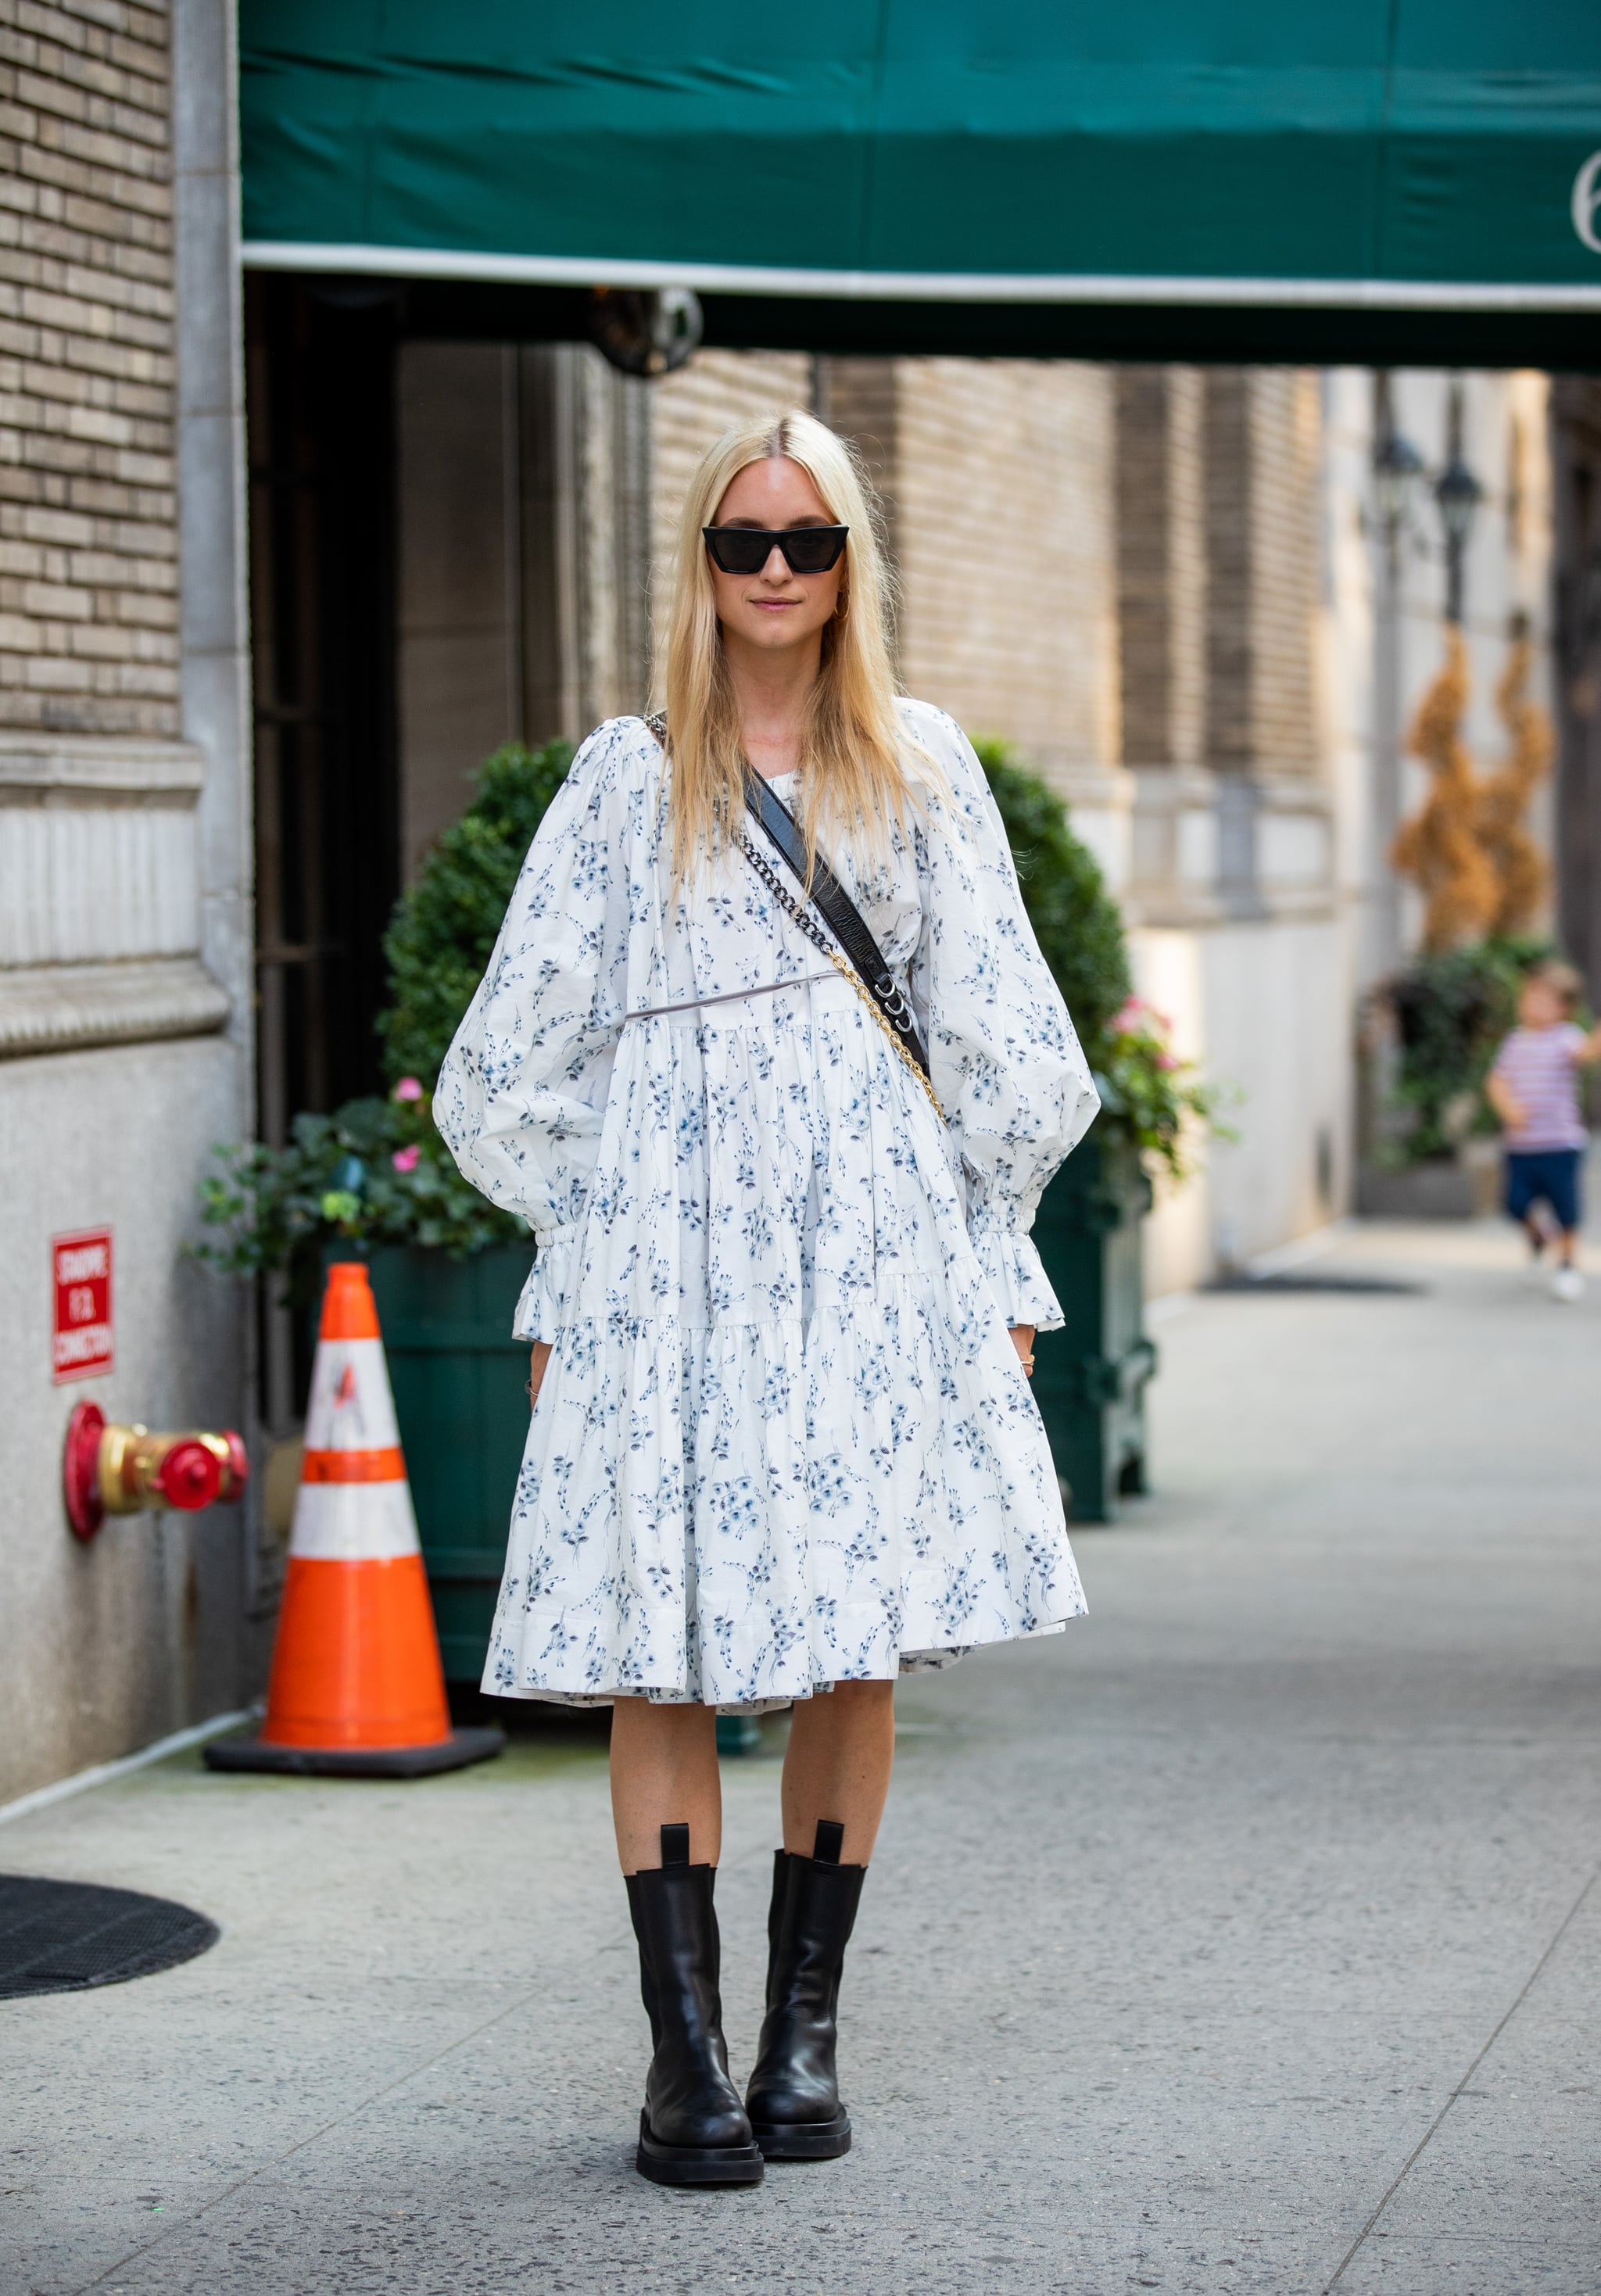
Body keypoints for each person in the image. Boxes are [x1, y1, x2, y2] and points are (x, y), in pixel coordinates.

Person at [436, 409, 1098, 2187]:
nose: (781, 571)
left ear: (855, 559)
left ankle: (801, 2041)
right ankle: (686, 2063)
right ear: (702, 564)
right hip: (669, 1269)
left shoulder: (922, 767)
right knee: (661, 1637)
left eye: (812, 540)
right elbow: (493, 1070)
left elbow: (1012, 1050)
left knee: (850, 1632)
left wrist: (995, 1250)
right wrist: (602, 1224)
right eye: (747, 542)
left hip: (875, 1265)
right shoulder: (621, 777)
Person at [1485, 959, 1601, 1301]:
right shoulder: (1515, 1042)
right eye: (1530, 998)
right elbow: (1496, 1080)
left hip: (1561, 1143)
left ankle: (1567, 1265)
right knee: (1514, 1204)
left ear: (1564, 1008)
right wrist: (1508, 1108)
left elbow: (1589, 1053)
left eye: (1543, 1000)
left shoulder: (1565, 1038)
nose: (1533, 1006)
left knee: (1566, 1207)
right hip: (1521, 1145)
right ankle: (1539, 1238)